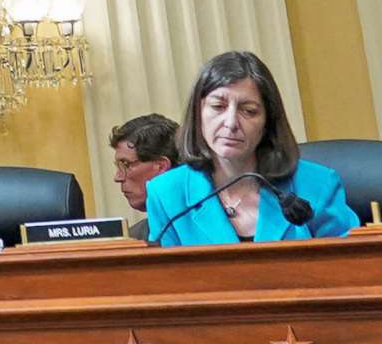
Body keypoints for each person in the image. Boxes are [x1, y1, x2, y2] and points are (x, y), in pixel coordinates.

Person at [146, 50, 358, 246]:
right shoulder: (166, 194)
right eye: (218, 107)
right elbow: (168, 282)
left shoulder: (317, 185)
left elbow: (354, 268)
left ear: (268, 122)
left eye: (248, 111)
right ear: (198, 114)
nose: (230, 123)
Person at [110, 112, 180, 242]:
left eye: (126, 164)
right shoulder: (131, 239)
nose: (117, 177)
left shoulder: (207, 226)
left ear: (161, 167)